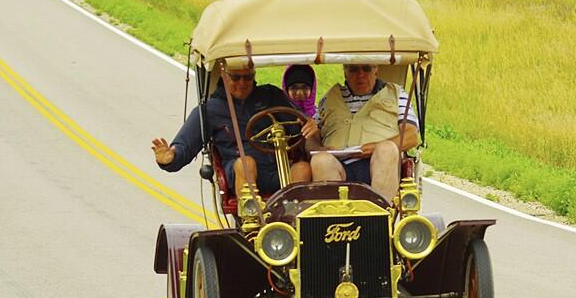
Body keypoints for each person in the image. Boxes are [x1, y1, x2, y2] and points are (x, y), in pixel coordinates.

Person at [152, 66, 317, 195]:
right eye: (236, 77)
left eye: (248, 77)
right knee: (246, 163)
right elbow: (185, 145)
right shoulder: (210, 110)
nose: (242, 83)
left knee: (302, 168)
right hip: (239, 171)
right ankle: (251, 218)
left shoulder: (270, 96)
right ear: (224, 76)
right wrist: (170, 158)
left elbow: (298, 125)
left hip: (276, 169)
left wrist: (309, 126)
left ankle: (293, 220)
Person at [306, 64, 419, 202]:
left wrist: (375, 147)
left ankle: (380, 216)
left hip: (380, 162)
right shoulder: (328, 99)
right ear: (345, 72)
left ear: (376, 70)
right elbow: (311, 137)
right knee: (320, 159)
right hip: (339, 164)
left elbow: (411, 136)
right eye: (353, 69)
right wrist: (319, 149)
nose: (360, 75)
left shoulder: (396, 94)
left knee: (387, 149)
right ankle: (336, 219)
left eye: (366, 69)